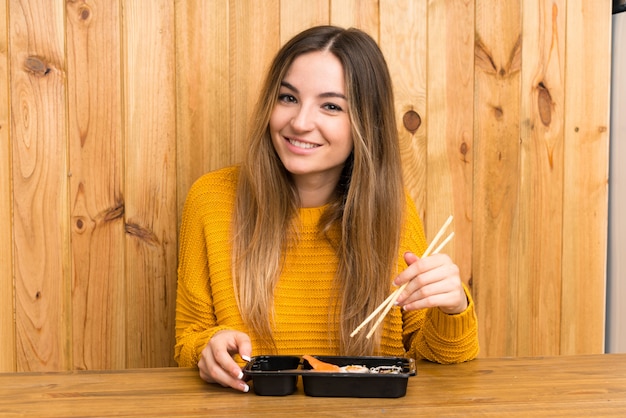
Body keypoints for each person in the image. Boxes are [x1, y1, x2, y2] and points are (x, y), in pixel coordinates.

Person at [174, 25, 479, 393]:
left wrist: (453, 309)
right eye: (287, 98)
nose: (300, 123)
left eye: (331, 106)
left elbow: (432, 357)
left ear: (365, 124)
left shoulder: (392, 211)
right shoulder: (210, 200)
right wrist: (208, 349)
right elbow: (188, 339)